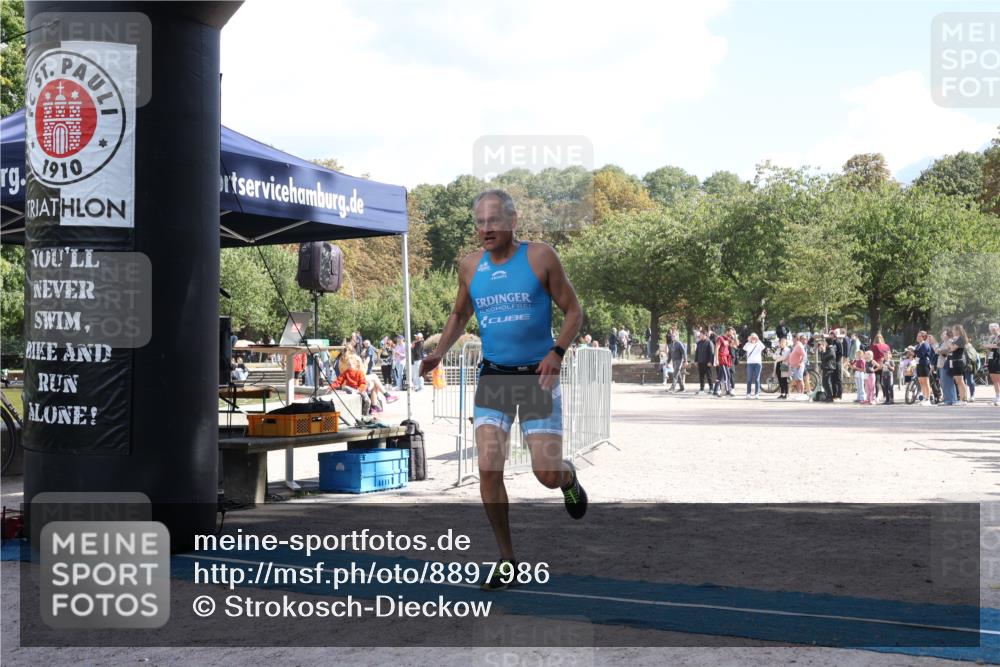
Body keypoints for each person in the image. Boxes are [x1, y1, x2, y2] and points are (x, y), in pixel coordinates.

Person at [417, 189, 587, 591]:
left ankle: (568, 479)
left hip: (536, 376)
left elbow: (574, 311)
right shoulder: (469, 266)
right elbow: (460, 313)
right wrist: (439, 353)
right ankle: (507, 559)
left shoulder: (540, 256)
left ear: (513, 221)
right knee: (488, 469)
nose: (486, 229)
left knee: (545, 473)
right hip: (494, 376)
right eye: (480, 222)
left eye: (494, 220)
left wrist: (557, 352)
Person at [947, 324, 969, 404]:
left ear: (958, 330)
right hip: (955, 361)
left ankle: (964, 399)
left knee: (960, 381)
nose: (952, 331)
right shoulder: (957, 339)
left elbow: (952, 348)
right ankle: (961, 398)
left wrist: (949, 342)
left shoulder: (961, 339)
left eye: (953, 330)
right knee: (958, 381)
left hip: (959, 361)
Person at [936, 329, 958, 406]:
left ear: (948, 335)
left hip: (946, 364)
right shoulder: (944, 342)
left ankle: (950, 400)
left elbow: (950, 351)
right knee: (944, 383)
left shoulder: (949, 341)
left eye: (944, 334)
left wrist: (939, 351)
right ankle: (949, 399)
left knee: (948, 383)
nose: (942, 336)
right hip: (942, 364)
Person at [742, 333, 765, 398]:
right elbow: (744, 348)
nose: (753, 339)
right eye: (752, 337)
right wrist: (749, 341)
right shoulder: (748, 344)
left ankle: (757, 393)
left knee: (757, 379)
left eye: (754, 338)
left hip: (758, 363)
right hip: (750, 363)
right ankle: (748, 393)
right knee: (749, 379)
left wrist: (758, 339)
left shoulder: (759, 344)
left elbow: (763, 347)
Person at [915, 331, 934, 406]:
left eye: (919, 336)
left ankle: (928, 399)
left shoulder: (925, 344)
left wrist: (914, 351)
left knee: (926, 382)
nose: (917, 337)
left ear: (923, 337)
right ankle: (924, 397)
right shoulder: (918, 345)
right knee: (921, 382)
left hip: (925, 364)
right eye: (917, 336)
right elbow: (915, 355)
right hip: (919, 364)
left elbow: (921, 354)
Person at [869, 334, 891, 400]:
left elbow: (871, 355)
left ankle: (876, 396)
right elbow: (890, 355)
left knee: (877, 381)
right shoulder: (886, 346)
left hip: (876, 364)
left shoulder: (874, 346)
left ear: (875, 339)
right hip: (885, 364)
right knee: (884, 380)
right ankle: (885, 395)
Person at [694, 330, 715, 395]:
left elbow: (712, 353)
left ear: (705, 335)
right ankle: (702, 389)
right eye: (700, 335)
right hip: (700, 362)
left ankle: (711, 388)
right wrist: (696, 361)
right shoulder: (699, 343)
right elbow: (697, 352)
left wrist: (710, 361)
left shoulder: (709, 342)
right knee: (701, 376)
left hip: (707, 362)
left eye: (701, 334)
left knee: (709, 376)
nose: (700, 336)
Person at [713, 331, 733, 397]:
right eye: (730, 333)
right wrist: (716, 359)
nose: (731, 334)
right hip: (722, 358)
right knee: (727, 375)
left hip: (726, 358)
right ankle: (727, 391)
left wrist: (734, 336)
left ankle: (715, 390)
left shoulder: (728, 339)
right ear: (727, 332)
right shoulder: (720, 338)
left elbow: (736, 344)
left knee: (720, 376)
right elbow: (717, 348)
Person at [788, 334, 808, 400]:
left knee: (800, 379)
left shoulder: (799, 345)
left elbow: (804, 355)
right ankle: (799, 393)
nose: (792, 340)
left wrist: (800, 363)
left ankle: (802, 394)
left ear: (796, 339)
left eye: (793, 339)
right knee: (797, 380)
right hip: (795, 366)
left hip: (799, 366)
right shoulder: (797, 345)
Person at [985, 323, 1000, 407]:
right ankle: (997, 396)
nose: (993, 331)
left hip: (998, 358)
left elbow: (997, 345)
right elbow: (988, 349)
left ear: (998, 329)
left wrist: (989, 345)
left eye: (994, 329)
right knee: (994, 379)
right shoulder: (991, 337)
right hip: (991, 359)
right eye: (991, 329)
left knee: (998, 379)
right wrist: (986, 360)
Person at [819, 339, 837, 403]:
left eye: (825, 343)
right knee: (824, 383)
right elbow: (822, 358)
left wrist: (823, 351)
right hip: (826, 367)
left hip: (829, 368)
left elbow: (824, 358)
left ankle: (830, 397)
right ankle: (828, 396)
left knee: (826, 382)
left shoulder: (831, 350)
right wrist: (822, 351)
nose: (824, 344)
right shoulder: (828, 349)